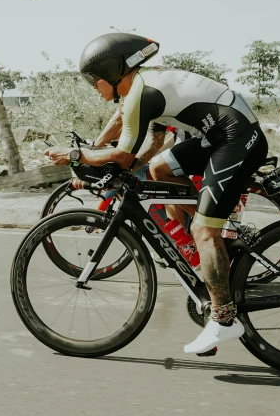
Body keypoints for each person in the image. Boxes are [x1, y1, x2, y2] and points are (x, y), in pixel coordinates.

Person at [44, 33, 268, 354]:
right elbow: (149, 146)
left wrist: (78, 155)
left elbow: (123, 155)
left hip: (236, 137)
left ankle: (224, 318)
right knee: (159, 170)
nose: (93, 86)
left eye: (94, 79)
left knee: (203, 230)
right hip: (219, 135)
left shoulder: (142, 91)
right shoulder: (145, 86)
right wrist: (113, 159)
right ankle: (221, 233)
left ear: (112, 71)